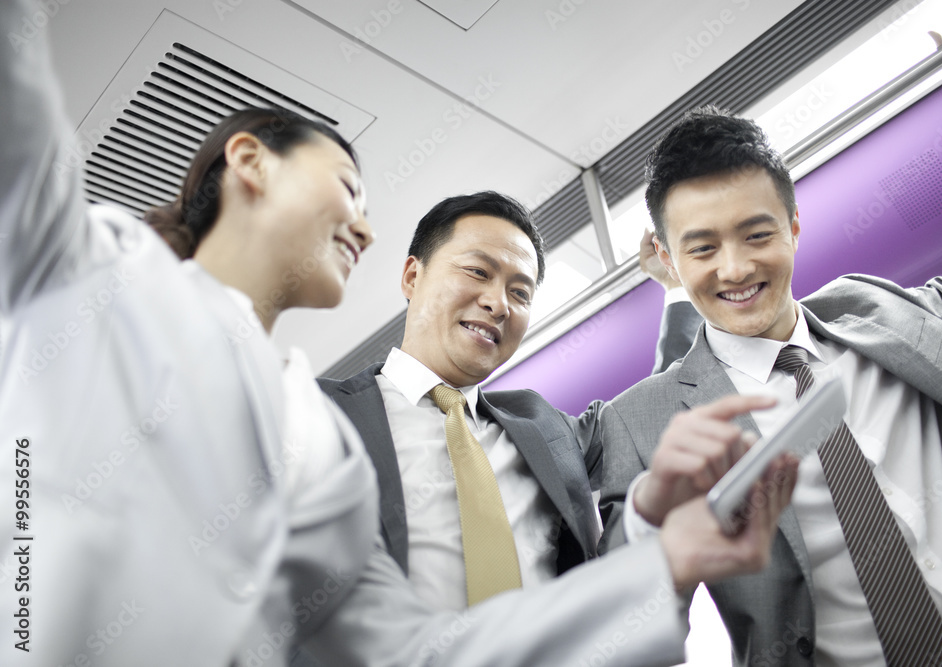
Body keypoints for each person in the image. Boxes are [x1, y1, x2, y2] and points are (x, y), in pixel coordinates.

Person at [0, 1, 796, 664]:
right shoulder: (78, 262)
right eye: (348, 186)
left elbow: (414, 652)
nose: (365, 228)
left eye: (521, 289)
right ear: (250, 160)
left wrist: (663, 560)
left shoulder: (317, 443)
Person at [599, 5, 942, 666]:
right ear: (668, 261)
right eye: (702, 247)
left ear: (793, 225)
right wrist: (653, 525)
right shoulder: (641, 420)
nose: (736, 268)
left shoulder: (883, 311)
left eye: (757, 234)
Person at [315, 192, 703, 615]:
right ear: (412, 276)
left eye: (520, 293)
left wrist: (677, 289)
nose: (499, 303)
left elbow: (657, 408)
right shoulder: (314, 413)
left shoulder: (543, 427)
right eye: (478, 271)